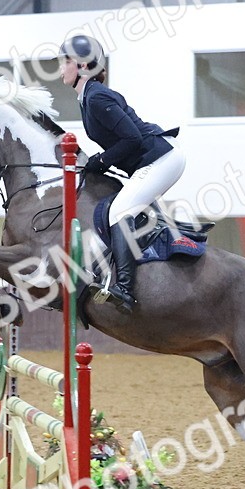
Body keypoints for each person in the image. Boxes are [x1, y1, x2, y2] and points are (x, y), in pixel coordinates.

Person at [59, 34, 185, 313]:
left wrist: (101, 160)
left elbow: (132, 140)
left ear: (81, 66)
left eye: (65, 61)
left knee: (120, 211)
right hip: (154, 159)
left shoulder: (96, 97)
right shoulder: (87, 97)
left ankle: (126, 289)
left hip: (161, 158)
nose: (60, 68)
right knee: (118, 208)